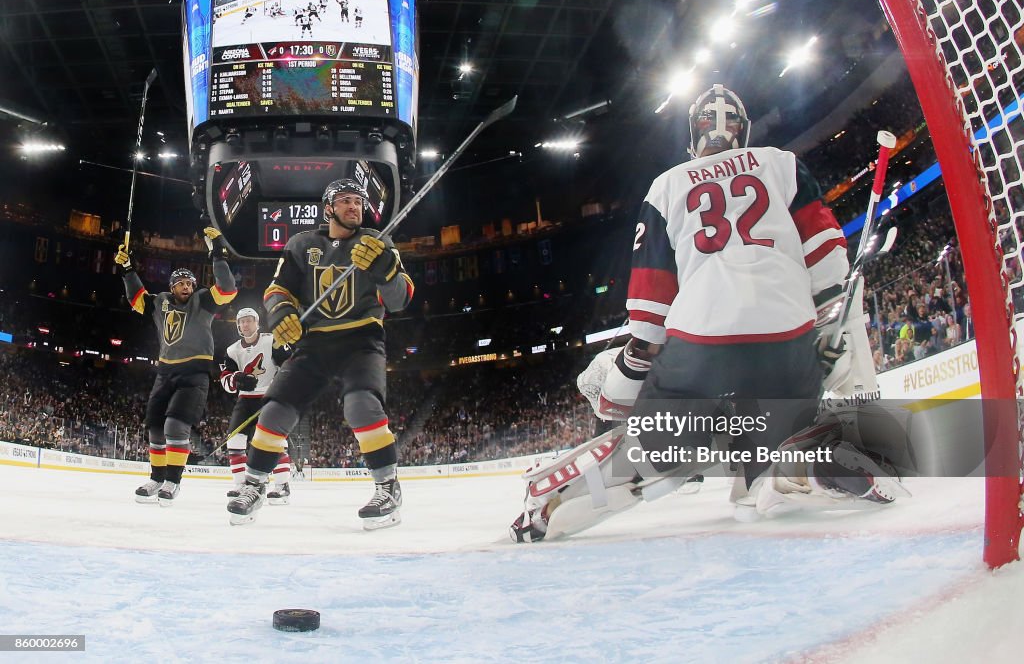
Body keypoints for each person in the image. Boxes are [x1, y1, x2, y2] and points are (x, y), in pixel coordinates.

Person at [510, 85, 905, 542]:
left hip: (703, 346)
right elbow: (830, 263)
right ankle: (812, 459)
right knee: (779, 413)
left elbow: (649, 315)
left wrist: (629, 377)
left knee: (661, 452)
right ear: (745, 131)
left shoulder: (667, 185)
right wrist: (828, 342)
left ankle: (550, 501)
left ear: (691, 137)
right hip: (787, 337)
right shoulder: (781, 164)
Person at [227, 178, 414, 528]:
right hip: (314, 343)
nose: (354, 207)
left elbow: (399, 300)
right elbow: (277, 290)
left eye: (358, 201)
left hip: (362, 338)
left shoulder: (379, 242)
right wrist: (283, 314)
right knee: (274, 410)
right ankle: (253, 485)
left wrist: (384, 266)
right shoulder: (301, 244)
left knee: (362, 405)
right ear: (328, 208)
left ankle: (388, 487)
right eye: (345, 201)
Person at [115, 227, 237, 505]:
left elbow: (228, 289)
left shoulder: (202, 301)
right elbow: (136, 300)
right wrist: (127, 269)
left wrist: (218, 252)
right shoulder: (160, 301)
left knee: (174, 425)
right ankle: (156, 478)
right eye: (182, 283)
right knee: (155, 427)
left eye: (190, 283)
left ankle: (173, 481)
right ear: (172, 286)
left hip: (195, 373)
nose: (187, 286)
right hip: (166, 371)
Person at [219, 307, 292, 502]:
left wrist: (280, 387)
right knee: (234, 440)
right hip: (245, 400)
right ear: (238, 326)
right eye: (242, 321)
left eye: (249, 320)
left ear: (257, 323)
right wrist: (237, 379)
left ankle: (282, 485)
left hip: (269, 398)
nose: (245, 324)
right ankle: (241, 484)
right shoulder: (232, 350)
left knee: (274, 440)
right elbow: (225, 380)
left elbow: (289, 365)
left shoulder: (272, 340)